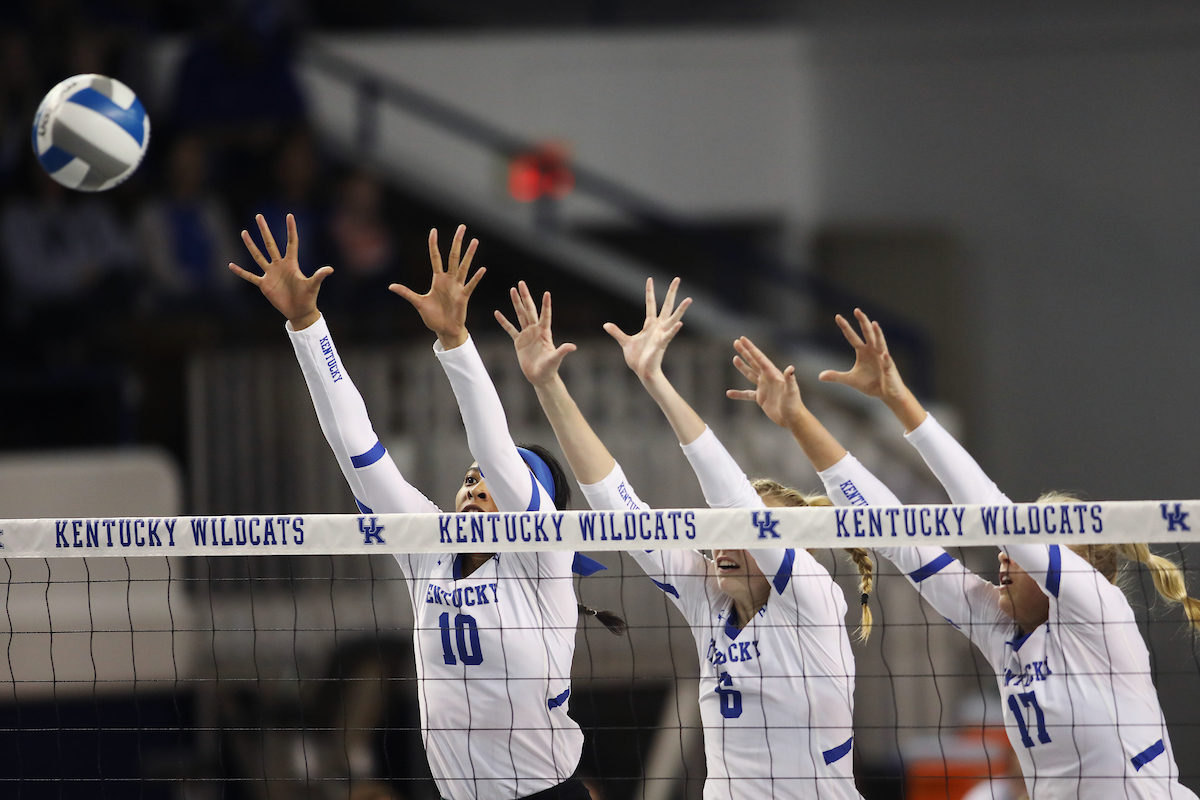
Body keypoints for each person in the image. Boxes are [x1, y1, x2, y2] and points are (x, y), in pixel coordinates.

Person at [732, 310, 1200, 798]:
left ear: (1076, 571)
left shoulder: (1099, 615)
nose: (1004, 555)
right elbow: (895, 534)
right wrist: (798, 419)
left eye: (1030, 548)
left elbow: (993, 511)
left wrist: (899, 398)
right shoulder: (1002, 632)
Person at [229, 214, 617, 800]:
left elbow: (491, 447)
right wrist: (307, 325)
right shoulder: (429, 553)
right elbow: (356, 449)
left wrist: (455, 341)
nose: (473, 487)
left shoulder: (542, 560)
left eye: (492, 484)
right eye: (467, 481)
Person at [495, 277, 870, 799]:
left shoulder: (813, 596)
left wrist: (656, 380)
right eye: (719, 532)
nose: (724, 543)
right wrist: (547, 385)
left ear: (791, 550)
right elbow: (617, 506)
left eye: (745, 536)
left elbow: (736, 504)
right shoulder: (708, 595)